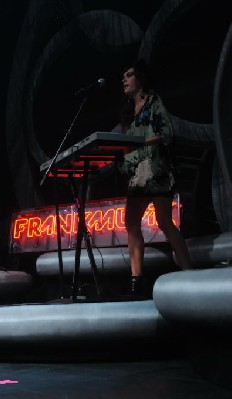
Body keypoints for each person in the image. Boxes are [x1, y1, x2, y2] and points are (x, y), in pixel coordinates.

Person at [118, 59, 192, 296]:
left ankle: (188, 271)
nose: (124, 79)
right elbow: (129, 150)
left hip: (157, 169)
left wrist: (139, 145)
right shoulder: (128, 113)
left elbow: (166, 132)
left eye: (129, 75)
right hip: (139, 174)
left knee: (164, 220)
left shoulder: (153, 101)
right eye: (123, 76)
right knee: (131, 223)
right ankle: (136, 279)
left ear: (140, 78)